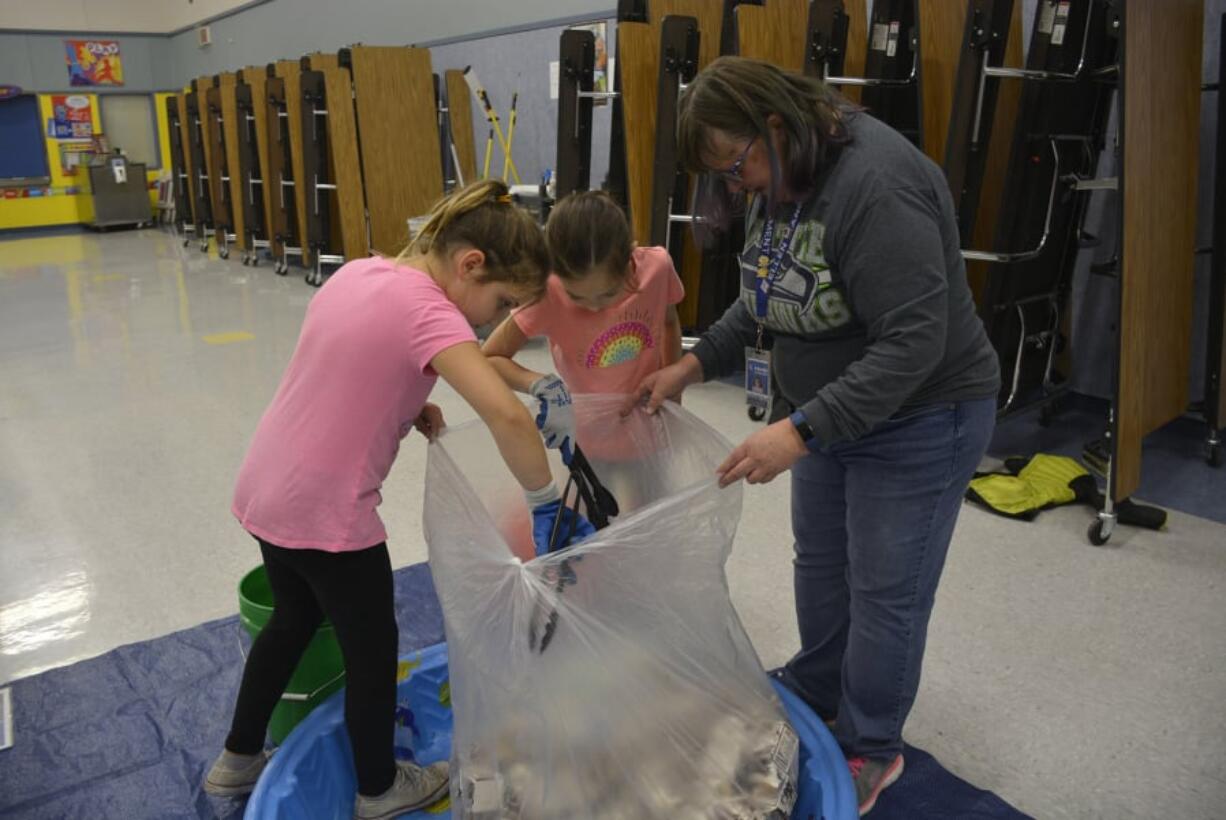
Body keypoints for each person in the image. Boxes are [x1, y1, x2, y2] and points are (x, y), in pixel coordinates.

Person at [626, 56, 1001, 816]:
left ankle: (872, 746)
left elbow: (913, 344)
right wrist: (694, 363)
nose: (740, 187)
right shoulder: (779, 172)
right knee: (822, 565)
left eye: (737, 166)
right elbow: (770, 289)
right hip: (830, 412)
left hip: (922, 414)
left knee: (885, 591)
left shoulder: (877, 183)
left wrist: (799, 432)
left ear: (775, 124)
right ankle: (817, 684)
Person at [203, 180, 592, 818]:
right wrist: (545, 501)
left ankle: (236, 760)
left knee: (293, 619)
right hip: (328, 514)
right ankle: (379, 789)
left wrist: (408, 403)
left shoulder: (362, 272)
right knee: (373, 654)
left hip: (266, 491)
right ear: (470, 265)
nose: (489, 322)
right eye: (498, 303)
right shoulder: (431, 311)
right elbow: (510, 419)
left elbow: (348, 365)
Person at [482, 190, 684, 477]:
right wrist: (539, 383)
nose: (594, 307)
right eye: (577, 297)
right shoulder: (549, 292)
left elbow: (669, 322)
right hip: (589, 437)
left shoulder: (657, 268)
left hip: (648, 423)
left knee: (651, 508)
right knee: (596, 513)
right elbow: (490, 357)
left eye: (608, 294)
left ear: (630, 256)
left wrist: (673, 384)